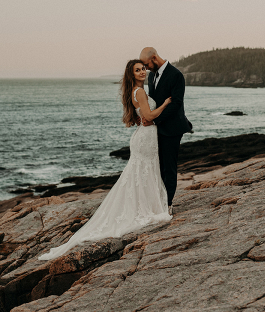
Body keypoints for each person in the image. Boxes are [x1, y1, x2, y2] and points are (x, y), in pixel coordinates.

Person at [38, 60, 172, 261]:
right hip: (146, 137)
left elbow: (139, 116)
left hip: (143, 135)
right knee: (143, 171)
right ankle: (148, 209)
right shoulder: (140, 92)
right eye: (138, 70)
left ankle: (148, 206)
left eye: (143, 68)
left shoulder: (134, 92)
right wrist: (166, 104)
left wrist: (146, 117)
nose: (142, 72)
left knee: (141, 172)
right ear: (132, 74)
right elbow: (149, 115)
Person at [139, 47, 192, 214]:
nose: (146, 68)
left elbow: (176, 104)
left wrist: (154, 119)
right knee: (158, 167)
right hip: (157, 128)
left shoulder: (176, 75)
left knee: (169, 168)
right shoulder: (152, 76)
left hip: (173, 128)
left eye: (146, 65)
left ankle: (168, 205)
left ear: (154, 58)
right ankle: (158, 201)